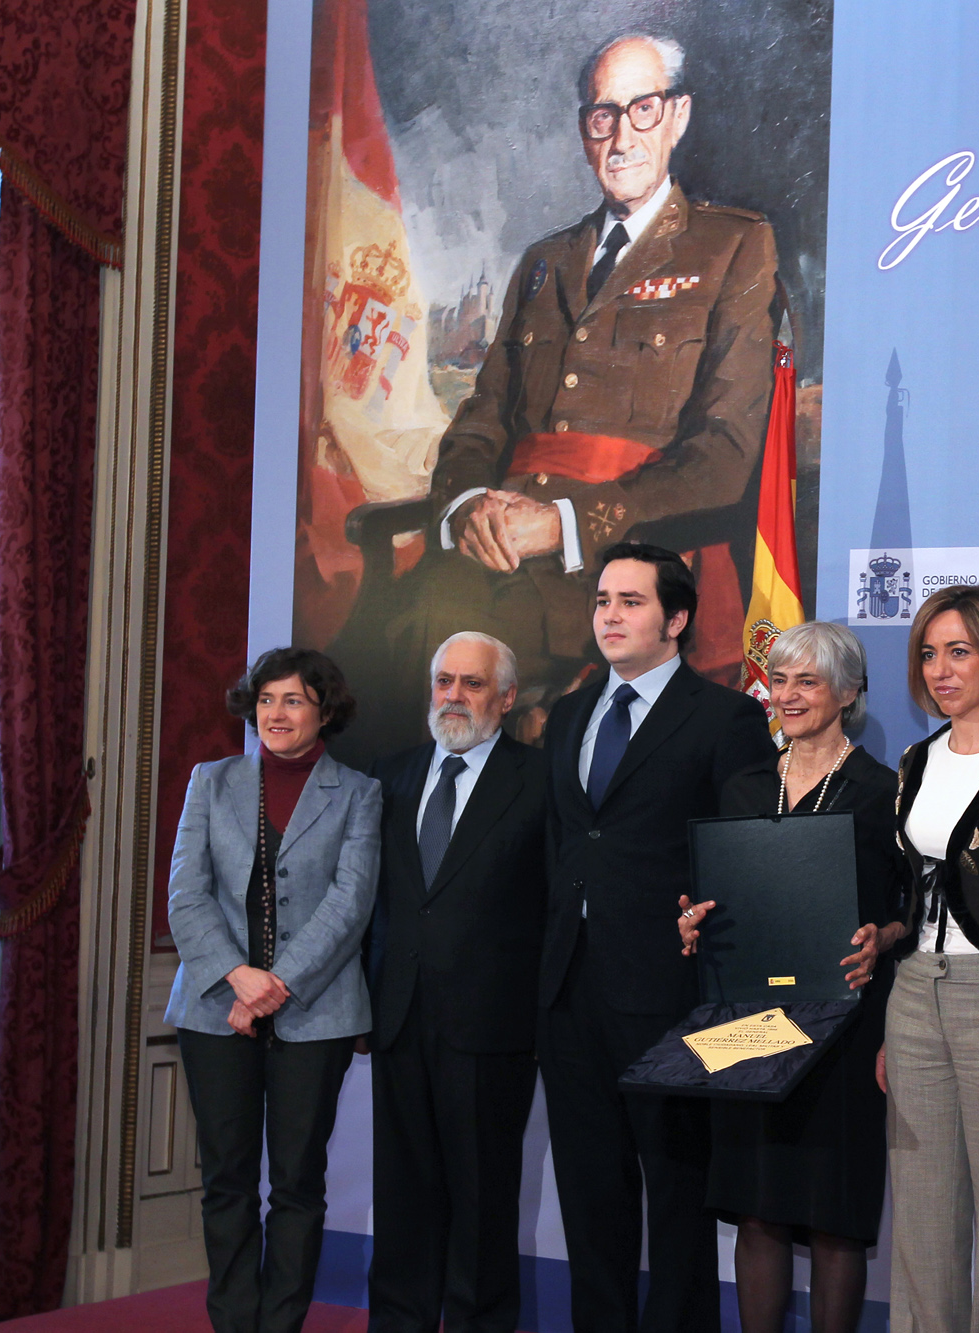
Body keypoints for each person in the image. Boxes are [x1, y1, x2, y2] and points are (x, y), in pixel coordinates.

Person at [334, 29, 782, 756]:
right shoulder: (545, 261)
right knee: (373, 659)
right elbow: (479, 424)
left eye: (642, 110)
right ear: (584, 130)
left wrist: (564, 524)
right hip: (491, 554)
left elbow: (724, 456)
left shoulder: (732, 246)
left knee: (463, 667)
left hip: (617, 565)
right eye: (603, 116)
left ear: (678, 117)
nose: (621, 138)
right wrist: (465, 507)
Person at [537, 540, 777, 1333]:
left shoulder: (726, 716)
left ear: (676, 619)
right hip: (570, 992)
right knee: (589, 1199)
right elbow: (562, 845)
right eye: (603, 599)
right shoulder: (570, 712)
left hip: (671, 994)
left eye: (630, 601)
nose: (609, 615)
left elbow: (745, 849)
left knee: (677, 1203)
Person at [677, 621, 907, 1333]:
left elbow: (914, 907)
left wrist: (885, 937)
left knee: (835, 1216)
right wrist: (694, 923)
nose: (789, 695)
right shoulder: (743, 786)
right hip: (751, 1024)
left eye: (808, 681)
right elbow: (716, 896)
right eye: (779, 680)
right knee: (758, 1209)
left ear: (848, 691)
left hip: (845, 1026)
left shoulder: (883, 790)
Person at [163, 648, 381, 1333]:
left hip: (316, 1014)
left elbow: (351, 903)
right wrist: (238, 975)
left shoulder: (360, 793)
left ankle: (281, 1324)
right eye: (265, 699)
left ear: (324, 710)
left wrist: (278, 984)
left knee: (297, 1185)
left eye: (292, 700)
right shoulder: (211, 781)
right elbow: (185, 893)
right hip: (213, 1010)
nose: (275, 713)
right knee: (225, 1181)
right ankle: (234, 1322)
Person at [365, 632, 550, 1333]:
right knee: (401, 1196)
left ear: (506, 698)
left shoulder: (540, 779)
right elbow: (374, 901)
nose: (453, 696)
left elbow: (556, 902)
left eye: (472, 684)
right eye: (444, 681)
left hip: (492, 1025)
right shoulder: (392, 774)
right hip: (399, 1017)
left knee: (481, 1201)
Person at [882, 585, 979, 1333]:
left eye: (958, 651)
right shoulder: (915, 759)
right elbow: (911, 889)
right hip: (916, 989)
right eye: (928, 653)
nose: (940, 670)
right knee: (921, 1208)